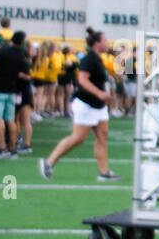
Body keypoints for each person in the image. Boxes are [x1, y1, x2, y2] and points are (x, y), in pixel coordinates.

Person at [39, 29, 119, 181]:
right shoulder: (89, 59)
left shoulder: (97, 58)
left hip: (98, 106)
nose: (107, 43)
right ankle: (49, 162)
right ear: (97, 43)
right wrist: (99, 93)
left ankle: (104, 172)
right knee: (78, 138)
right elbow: (82, 79)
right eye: (105, 40)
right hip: (86, 103)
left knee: (102, 136)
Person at [0, 30, 30, 158]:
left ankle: (2, 147)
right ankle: (12, 148)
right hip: (11, 90)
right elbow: (26, 75)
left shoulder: (3, 51)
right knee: (10, 119)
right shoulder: (21, 55)